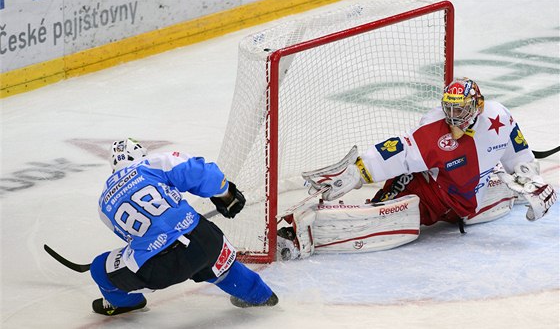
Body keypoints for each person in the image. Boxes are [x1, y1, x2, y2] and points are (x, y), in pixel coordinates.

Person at [277, 78, 557, 260]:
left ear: (478, 105)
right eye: (449, 109)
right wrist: (358, 171)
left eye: (460, 110)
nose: (453, 117)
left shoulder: (499, 117)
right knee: (394, 219)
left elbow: (518, 153)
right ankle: (305, 233)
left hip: (463, 201)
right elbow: (401, 151)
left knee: (480, 195)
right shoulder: (435, 129)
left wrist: (531, 180)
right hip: (429, 191)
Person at [89, 138, 278, 316]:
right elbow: (200, 172)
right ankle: (262, 296)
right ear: (140, 154)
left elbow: (130, 237)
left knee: (98, 267)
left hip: (156, 268)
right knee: (218, 266)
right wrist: (225, 193)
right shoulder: (149, 164)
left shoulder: (103, 204)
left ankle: (128, 302)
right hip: (203, 240)